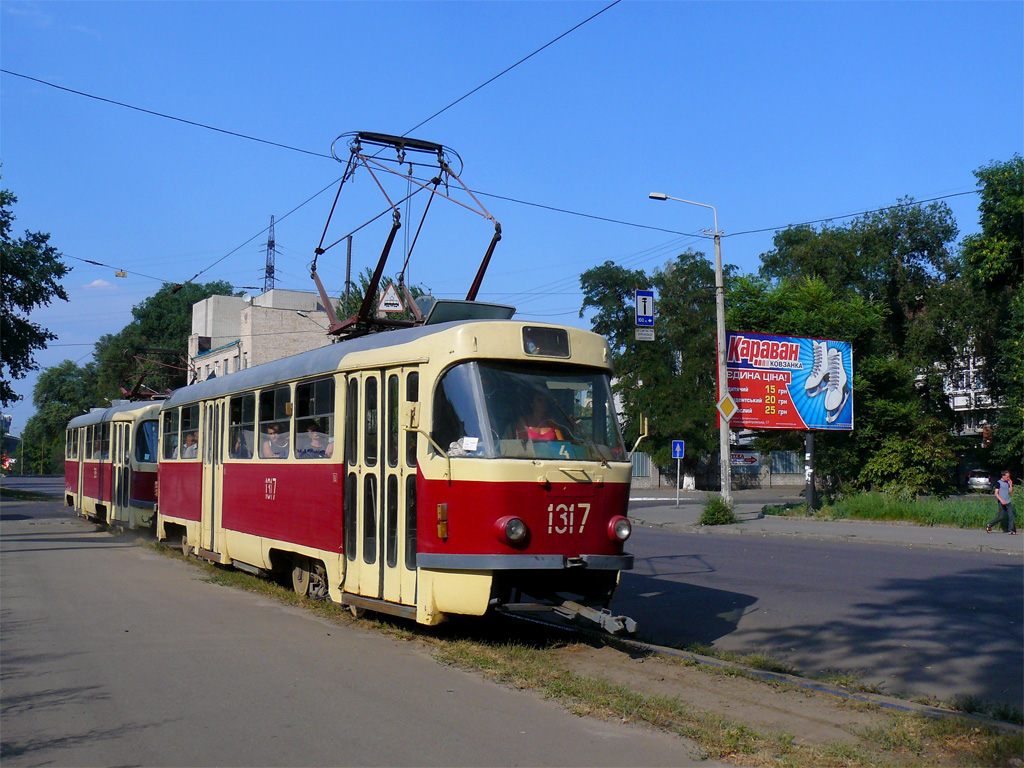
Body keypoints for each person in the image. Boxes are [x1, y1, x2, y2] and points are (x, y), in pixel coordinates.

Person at [987, 470, 1017, 535]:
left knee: (1010, 515)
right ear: (1003, 476)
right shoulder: (998, 483)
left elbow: (1011, 492)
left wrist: (1011, 485)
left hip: (1008, 501)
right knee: (1001, 517)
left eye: (1009, 477)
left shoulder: (1007, 483)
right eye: (1007, 476)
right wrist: (1001, 500)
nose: (1008, 478)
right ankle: (990, 524)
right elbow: (996, 493)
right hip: (1001, 502)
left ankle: (1011, 530)